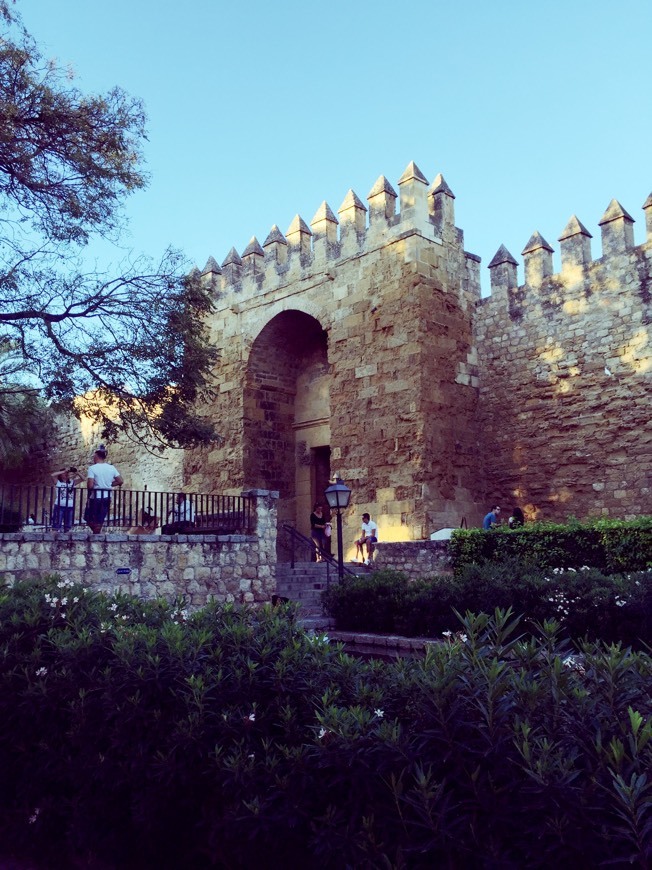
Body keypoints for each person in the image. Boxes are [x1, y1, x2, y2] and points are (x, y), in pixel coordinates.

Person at [85, 446, 123, 534]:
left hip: (96, 496)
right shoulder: (111, 468)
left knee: (89, 517)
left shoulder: (92, 468)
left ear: (97, 456)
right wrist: (109, 485)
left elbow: (90, 485)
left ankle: (96, 533)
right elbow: (120, 481)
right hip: (107, 496)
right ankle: (97, 533)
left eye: (94, 456)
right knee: (100, 518)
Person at [50, 466, 82, 531]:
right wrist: (64, 471)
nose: (66, 474)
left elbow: (83, 478)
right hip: (59, 505)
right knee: (56, 525)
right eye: (64, 473)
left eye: (67, 473)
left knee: (68, 526)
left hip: (70, 506)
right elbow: (52, 475)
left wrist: (77, 472)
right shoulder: (58, 482)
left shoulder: (72, 482)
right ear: (60, 475)